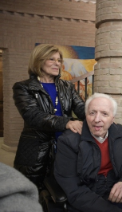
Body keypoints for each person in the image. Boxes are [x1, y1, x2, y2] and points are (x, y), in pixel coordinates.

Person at [54, 93, 122, 212]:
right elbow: (73, 188)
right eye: (92, 113)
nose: (97, 119)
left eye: (104, 114)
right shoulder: (68, 141)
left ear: (112, 118)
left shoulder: (118, 132)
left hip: (118, 192)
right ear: (86, 115)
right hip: (87, 199)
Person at [12, 44, 85, 189]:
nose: (57, 63)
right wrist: (67, 122)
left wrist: (97, 114)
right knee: (32, 189)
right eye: (51, 59)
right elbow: (33, 115)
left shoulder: (67, 86)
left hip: (65, 143)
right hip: (36, 147)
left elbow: (81, 107)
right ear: (38, 61)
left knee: (62, 186)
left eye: (59, 60)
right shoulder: (23, 87)